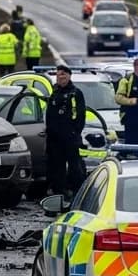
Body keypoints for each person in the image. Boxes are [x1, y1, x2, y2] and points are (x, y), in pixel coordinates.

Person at [44, 65, 87, 199]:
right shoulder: (55, 92)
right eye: (58, 75)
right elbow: (50, 114)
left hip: (69, 138)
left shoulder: (75, 93)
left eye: (63, 74)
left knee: (75, 167)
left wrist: (74, 133)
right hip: (54, 139)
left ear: (69, 76)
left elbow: (80, 116)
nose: (60, 77)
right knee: (57, 167)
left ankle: (77, 193)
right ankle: (59, 193)